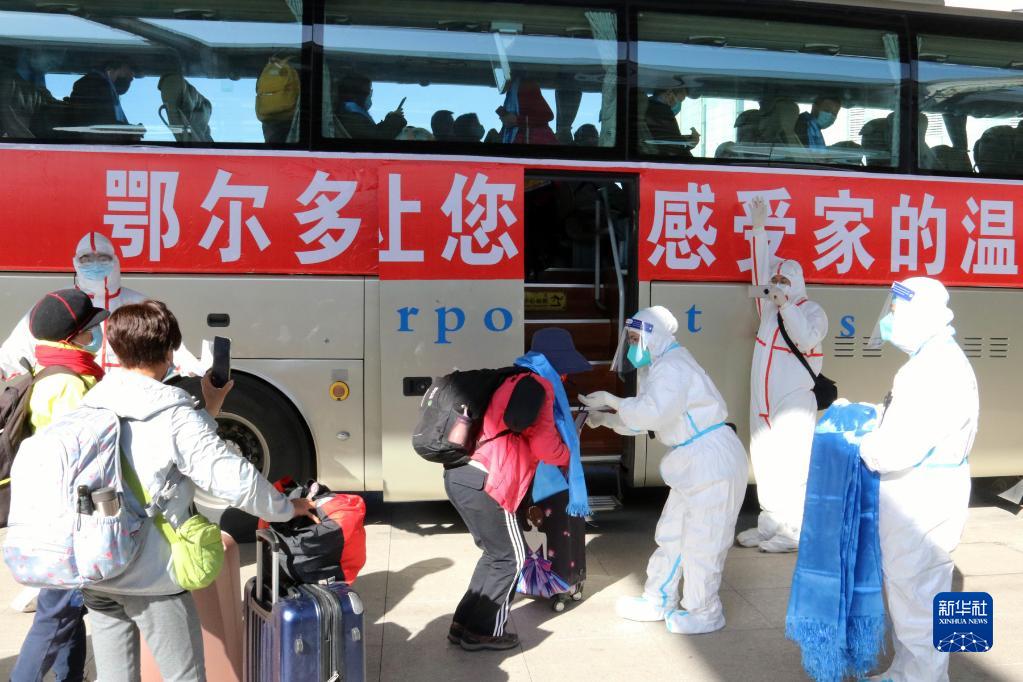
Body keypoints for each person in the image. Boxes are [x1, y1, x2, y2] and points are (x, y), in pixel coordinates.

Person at [78, 300, 318, 682]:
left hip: (99, 564)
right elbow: (234, 479)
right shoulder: (174, 415)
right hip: (150, 570)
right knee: (185, 676)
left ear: (117, 349)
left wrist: (210, 408)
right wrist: (286, 508)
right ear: (169, 352)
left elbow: (148, 449)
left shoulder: (90, 405)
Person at [580, 306, 748, 634]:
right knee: (672, 533)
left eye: (635, 339)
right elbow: (651, 416)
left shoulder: (673, 367)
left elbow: (653, 414)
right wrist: (608, 420)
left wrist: (613, 402)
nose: (632, 347)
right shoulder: (662, 365)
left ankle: (705, 612)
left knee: (704, 540)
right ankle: (658, 599)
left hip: (711, 461)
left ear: (653, 336)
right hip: (695, 461)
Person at [859, 278, 977, 682]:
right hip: (929, 489)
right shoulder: (936, 358)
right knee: (915, 592)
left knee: (916, 594)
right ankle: (908, 670)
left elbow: (899, 448)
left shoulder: (933, 368)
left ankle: (923, 676)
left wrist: (863, 445)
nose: (890, 320)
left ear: (919, 314)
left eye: (896, 312)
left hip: (921, 496)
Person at [445, 327, 590, 651]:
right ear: (556, 365)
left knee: (495, 555)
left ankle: (464, 625)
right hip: (487, 483)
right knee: (511, 558)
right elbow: (544, 447)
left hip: (463, 475)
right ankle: (486, 632)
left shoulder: (511, 378)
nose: (565, 376)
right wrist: (569, 454)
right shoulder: (540, 386)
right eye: (564, 370)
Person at [9, 289, 108, 682]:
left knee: (68, 610)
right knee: (57, 614)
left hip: (60, 513)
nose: (94, 335)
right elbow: (78, 457)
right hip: (69, 518)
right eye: (88, 329)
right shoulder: (66, 383)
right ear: (72, 336)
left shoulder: (60, 369)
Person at [737, 198, 828, 553]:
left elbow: (806, 338)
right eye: (775, 280)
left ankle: (794, 530)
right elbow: (759, 269)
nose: (777, 284)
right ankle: (770, 525)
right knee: (765, 462)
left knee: (793, 464)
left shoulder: (811, 310)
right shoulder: (768, 312)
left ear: (798, 283)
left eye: (784, 280)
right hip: (763, 401)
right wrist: (758, 229)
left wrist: (786, 304)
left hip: (793, 401)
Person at [0, 232, 204, 379]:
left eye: (102, 257)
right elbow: (19, 346)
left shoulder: (138, 304)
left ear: (115, 260)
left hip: (129, 402)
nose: (95, 263)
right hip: (74, 398)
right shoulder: (59, 304)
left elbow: (169, 348)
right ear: (75, 262)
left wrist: (194, 368)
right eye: (86, 258)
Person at [65, 58, 143, 143]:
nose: (132, 77)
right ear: (119, 65)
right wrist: (130, 133)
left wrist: (132, 131)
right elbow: (94, 127)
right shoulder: (92, 84)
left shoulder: (107, 89)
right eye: (130, 69)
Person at [0, 50, 64, 138]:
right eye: (55, 53)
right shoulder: (8, 81)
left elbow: (57, 109)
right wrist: (31, 142)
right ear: (36, 50)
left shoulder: (37, 89)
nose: (58, 62)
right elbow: (8, 116)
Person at [334, 73, 405, 140]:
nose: (370, 94)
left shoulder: (349, 112)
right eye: (368, 90)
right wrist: (396, 118)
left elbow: (372, 130)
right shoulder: (350, 115)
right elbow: (378, 137)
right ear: (359, 94)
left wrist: (390, 118)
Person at [644, 84, 700, 157]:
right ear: (669, 93)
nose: (677, 104)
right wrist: (688, 143)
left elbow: (664, 138)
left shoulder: (651, 108)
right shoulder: (661, 112)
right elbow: (670, 148)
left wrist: (684, 141)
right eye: (680, 100)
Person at [497, 79, 557, 145]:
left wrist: (517, 120)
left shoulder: (526, 84)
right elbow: (510, 124)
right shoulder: (510, 91)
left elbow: (547, 115)